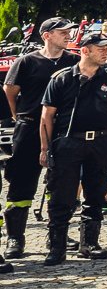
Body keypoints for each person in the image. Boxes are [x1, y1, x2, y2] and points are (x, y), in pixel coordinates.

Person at [37, 32, 107, 264]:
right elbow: (47, 116)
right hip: (68, 142)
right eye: (100, 48)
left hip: (100, 141)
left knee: (96, 193)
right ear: (85, 50)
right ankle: (57, 247)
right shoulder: (62, 78)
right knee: (62, 195)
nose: (105, 51)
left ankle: (89, 243)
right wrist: (45, 148)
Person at [4, 18, 80, 263]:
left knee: (61, 182)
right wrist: (20, 117)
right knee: (21, 180)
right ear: (46, 35)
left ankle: (57, 234)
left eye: (69, 32)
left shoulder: (73, 62)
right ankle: (15, 237)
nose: (68, 36)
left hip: (62, 128)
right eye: (62, 32)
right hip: (30, 126)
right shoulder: (27, 61)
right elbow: (10, 92)